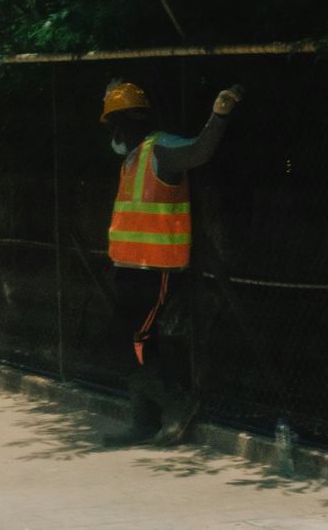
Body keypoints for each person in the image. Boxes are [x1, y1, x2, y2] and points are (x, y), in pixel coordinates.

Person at [100, 80, 243, 446]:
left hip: (156, 269)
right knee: (137, 345)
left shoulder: (161, 149)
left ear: (127, 123)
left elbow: (200, 150)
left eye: (114, 123)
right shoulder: (132, 158)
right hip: (129, 268)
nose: (113, 133)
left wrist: (219, 114)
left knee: (126, 344)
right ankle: (144, 422)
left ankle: (178, 404)